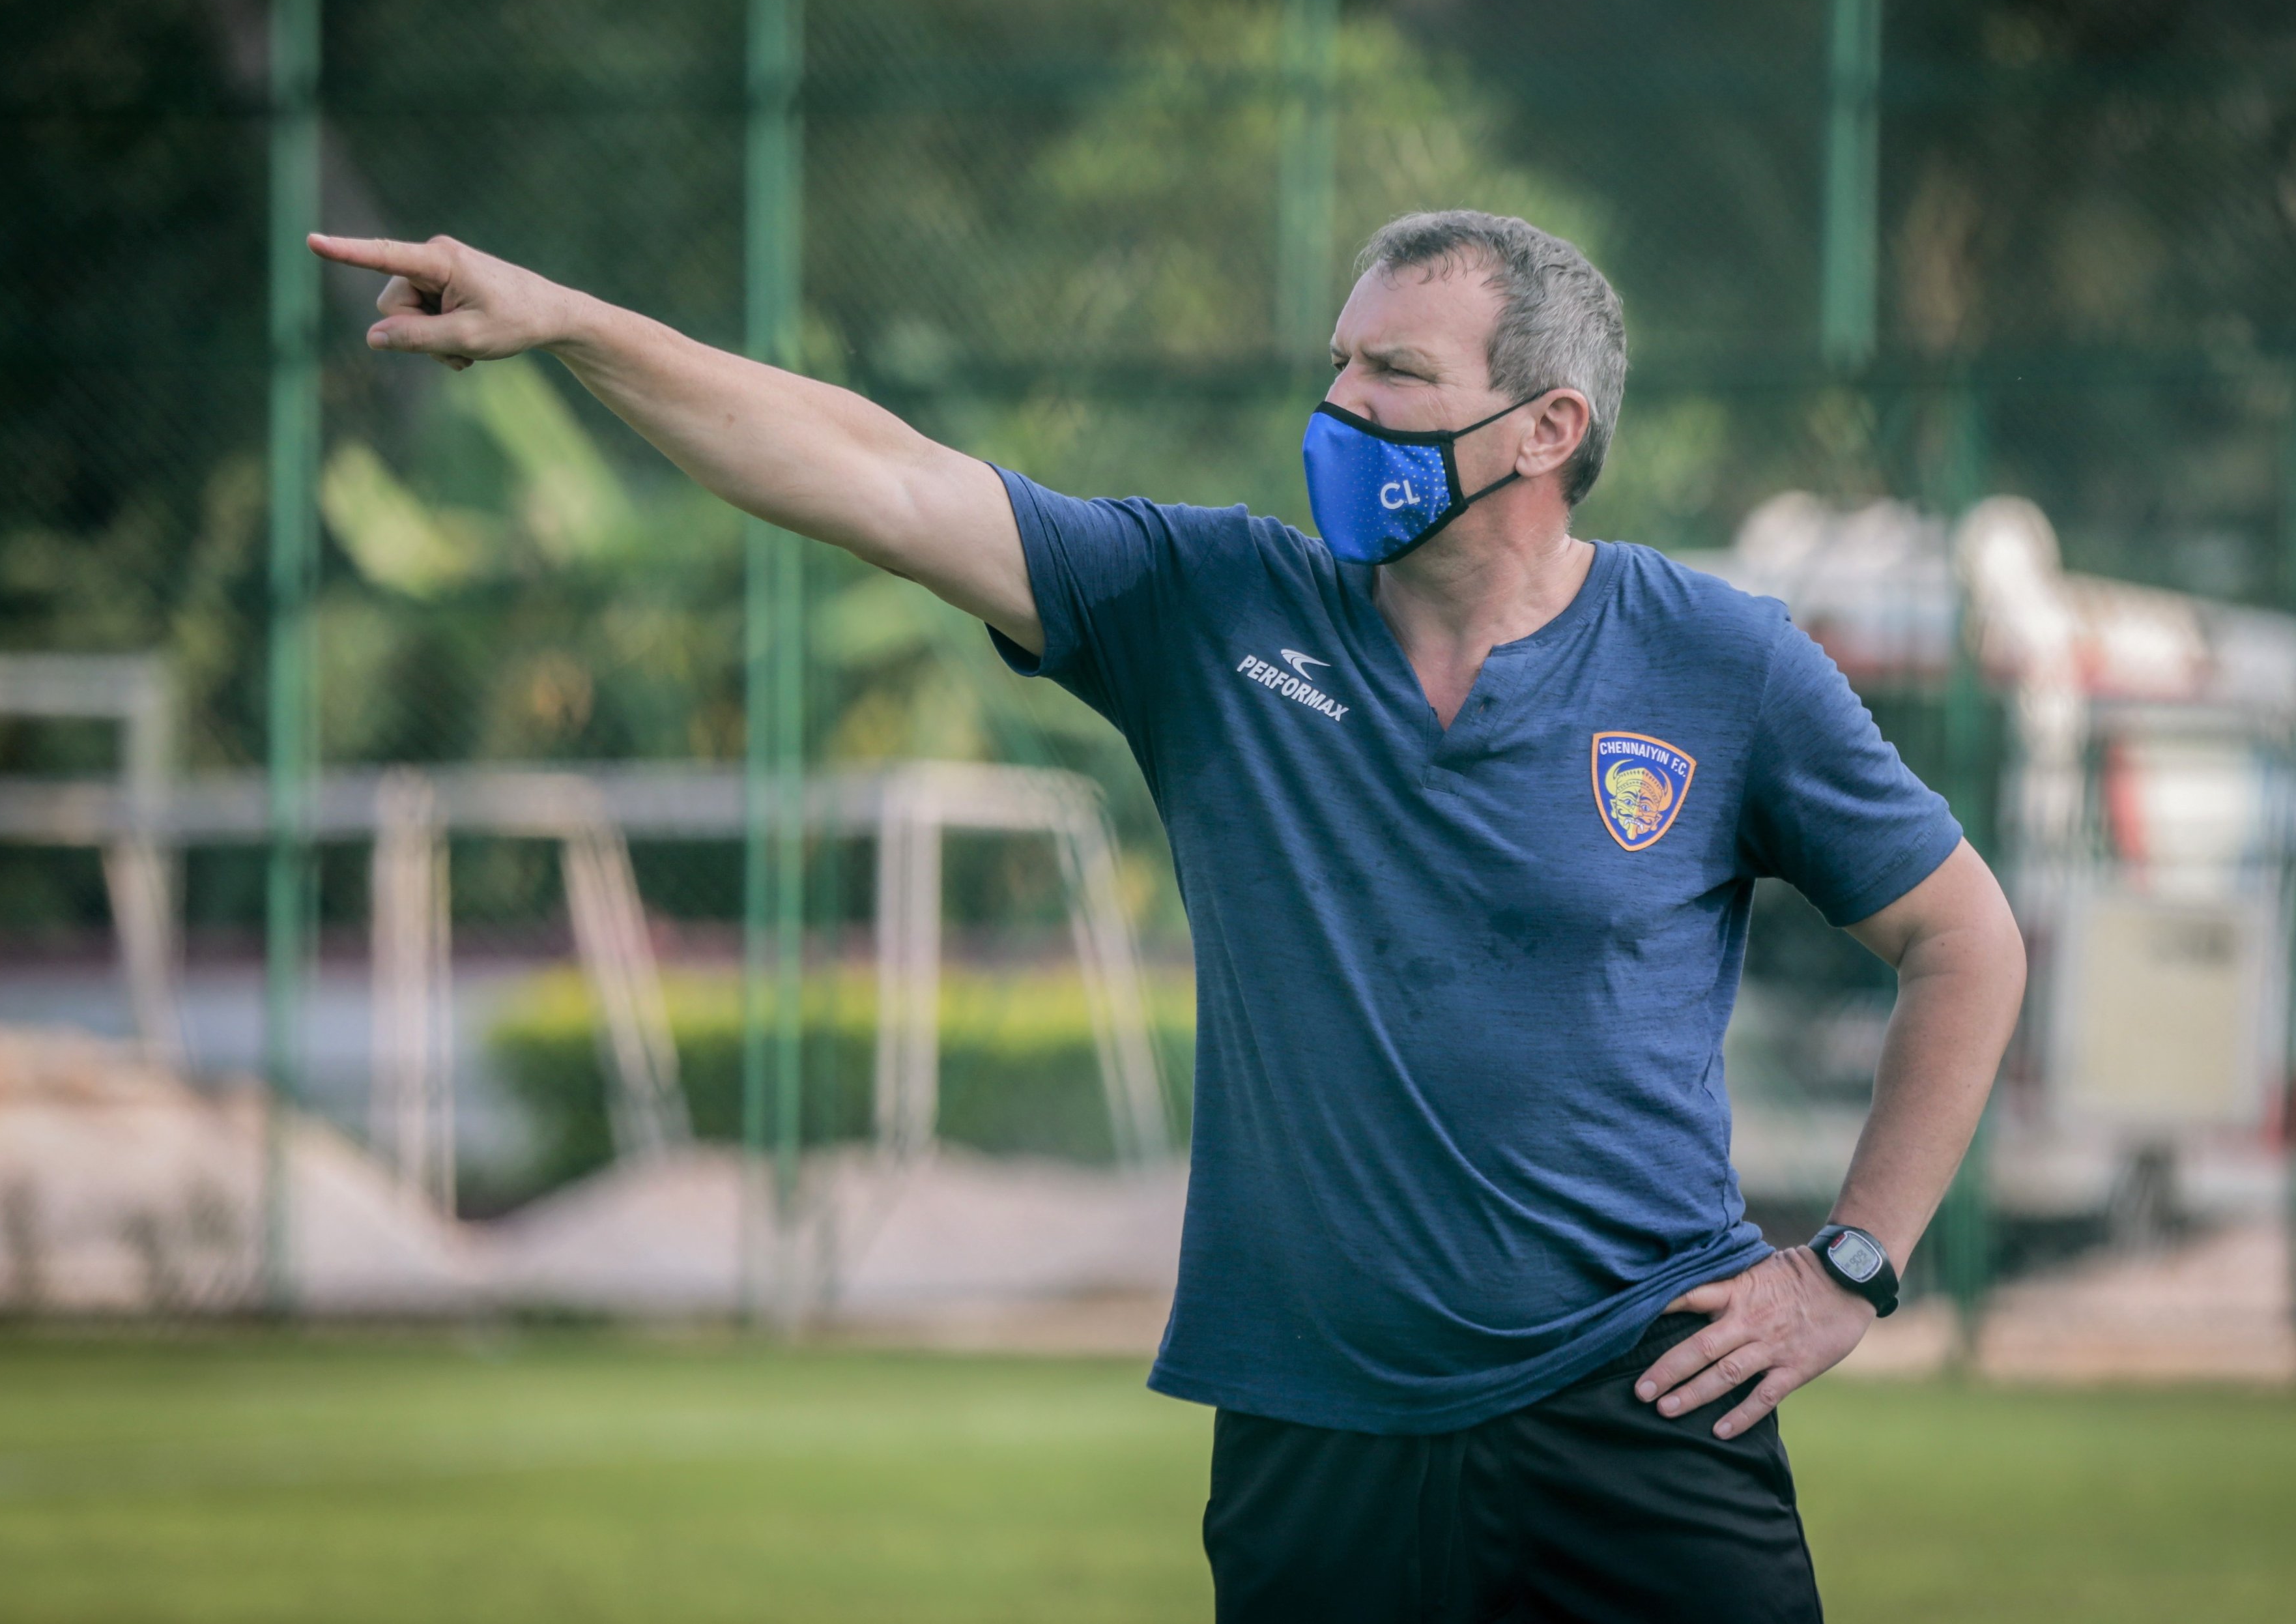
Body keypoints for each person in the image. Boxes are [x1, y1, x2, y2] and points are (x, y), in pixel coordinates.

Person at [311, 210, 2026, 1622]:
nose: (1339, 407)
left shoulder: (1723, 663)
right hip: (1314, 1429)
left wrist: (1853, 1266)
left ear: (1547, 428)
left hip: (1642, 1406)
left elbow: (1968, 940)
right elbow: (881, 477)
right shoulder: (1209, 605)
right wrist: (567, 322)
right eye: (1339, 362)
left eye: (1394, 374)